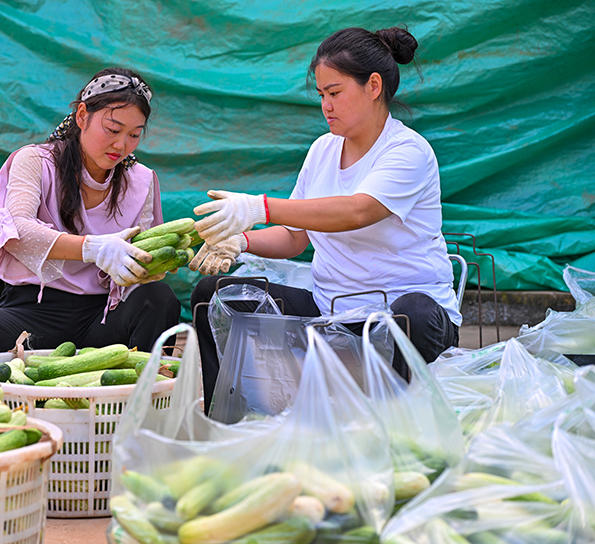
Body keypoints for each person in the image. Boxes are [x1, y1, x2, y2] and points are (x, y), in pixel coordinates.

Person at [189, 27, 461, 411]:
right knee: (215, 295)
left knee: (414, 313)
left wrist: (259, 208)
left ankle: (384, 420)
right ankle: (227, 420)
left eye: (334, 93)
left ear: (373, 86)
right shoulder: (322, 150)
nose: (326, 106)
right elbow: (294, 238)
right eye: (321, 95)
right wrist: (240, 241)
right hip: (330, 314)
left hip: (401, 316)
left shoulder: (408, 151)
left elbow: (357, 211)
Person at [0, 67, 180, 397]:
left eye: (134, 134)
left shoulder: (141, 181)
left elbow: (143, 257)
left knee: (158, 299)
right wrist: (92, 248)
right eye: (113, 129)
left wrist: (166, 260)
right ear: (82, 116)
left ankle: (139, 410)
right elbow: (18, 230)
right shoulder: (35, 161)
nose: (121, 144)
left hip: (104, 317)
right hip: (34, 313)